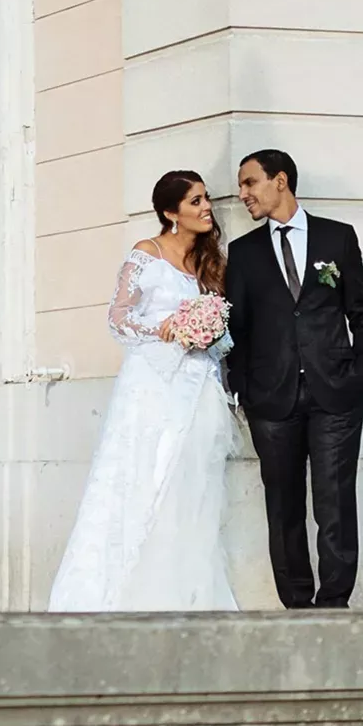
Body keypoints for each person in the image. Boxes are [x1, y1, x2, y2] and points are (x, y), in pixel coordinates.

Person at [46, 171, 239, 612]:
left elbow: (226, 330)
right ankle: (119, 592)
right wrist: (166, 329)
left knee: (192, 488)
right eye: (194, 202)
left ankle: (184, 592)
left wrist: (209, 333)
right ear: (171, 213)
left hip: (200, 388)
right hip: (152, 388)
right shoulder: (146, 254)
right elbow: (118, 318)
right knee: (142, 480)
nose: (206, 207)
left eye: (206, 198)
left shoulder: (211, 263)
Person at [224, 149, 363, 609]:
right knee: (283, 508)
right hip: (271, 400)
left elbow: (360, 310)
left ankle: (333, 607)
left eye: (250, 183)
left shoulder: (337, 238)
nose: (243, 193)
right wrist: (240, 386)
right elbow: (239, 328)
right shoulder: (244, 252)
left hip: (336, 393)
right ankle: (296, 608)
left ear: (281, 181)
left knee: (334, 504)